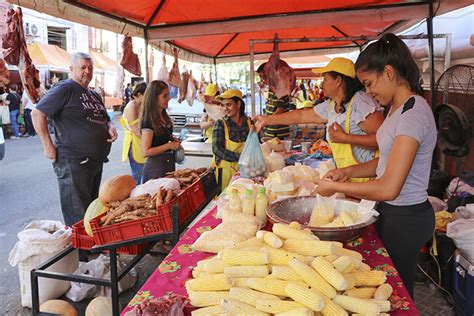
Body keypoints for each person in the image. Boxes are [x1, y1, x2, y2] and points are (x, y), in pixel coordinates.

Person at [316, 33, 436, 298]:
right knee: (384, 289)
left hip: (406, 218)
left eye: (369, 83)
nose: (368, 91)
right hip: (392, 214)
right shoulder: (396, 109)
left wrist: (334, 186)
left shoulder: (413, 114)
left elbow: (389, 187)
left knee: (395, 294)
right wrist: (347, 172)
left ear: (389, 72)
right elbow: (385, 162)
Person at [255, 57, 385, 182]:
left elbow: (385, 140)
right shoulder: (332, 104)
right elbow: (301, 116)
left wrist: (346, 138)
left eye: (325, 78)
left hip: (370, 178)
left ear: (338, 80)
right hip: (349, 179)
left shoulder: (361, 102)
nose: (322, 84)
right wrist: (267, 119)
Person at [32, 52, 118, 227]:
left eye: (90, 68)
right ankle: (82, 253)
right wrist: (47, 145)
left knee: (92, 209)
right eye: (83, 68)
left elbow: (105, 118)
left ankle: (92, 250)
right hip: (73, 160)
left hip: (94, 161)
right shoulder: (65, 88)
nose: (87, 71)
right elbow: (37, 113)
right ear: (71, 69)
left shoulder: (93, 94)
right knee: (77, 212)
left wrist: (110, 127)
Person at [211, 89, 252, 191]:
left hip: (245, 171)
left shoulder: (249, 122)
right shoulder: (220, 124)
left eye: (229, 105)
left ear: (238, 104)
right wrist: (240, 157)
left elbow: (257, 144)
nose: (225, 108)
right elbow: (217, 149)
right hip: (225, 173)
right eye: (223, 105)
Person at [140, 80, 181, 183]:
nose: (169, 98)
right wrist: (169, 146)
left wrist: (172, 139)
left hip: (168, 165)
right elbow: (145, 151)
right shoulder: (148, 121)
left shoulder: (163, 116)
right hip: (155, 169)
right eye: (165, 96)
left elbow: (161, 139)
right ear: (154, 98)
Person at [256, 63, 294, 140]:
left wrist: (266, 121)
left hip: (278, 131)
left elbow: (280, 110)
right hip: (272, 129)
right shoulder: (273, 88)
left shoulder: (279, 88)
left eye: (264, 77)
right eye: (261, 77)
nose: (262, 80)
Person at [120, 82, 147, 184]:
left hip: (141, 143)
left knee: (144, 175)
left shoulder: (141, 105)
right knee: (138, 177)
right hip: (135, 144)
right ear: (139, 95)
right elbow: (136, 130)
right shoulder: (132, 105)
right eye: (147, 95)